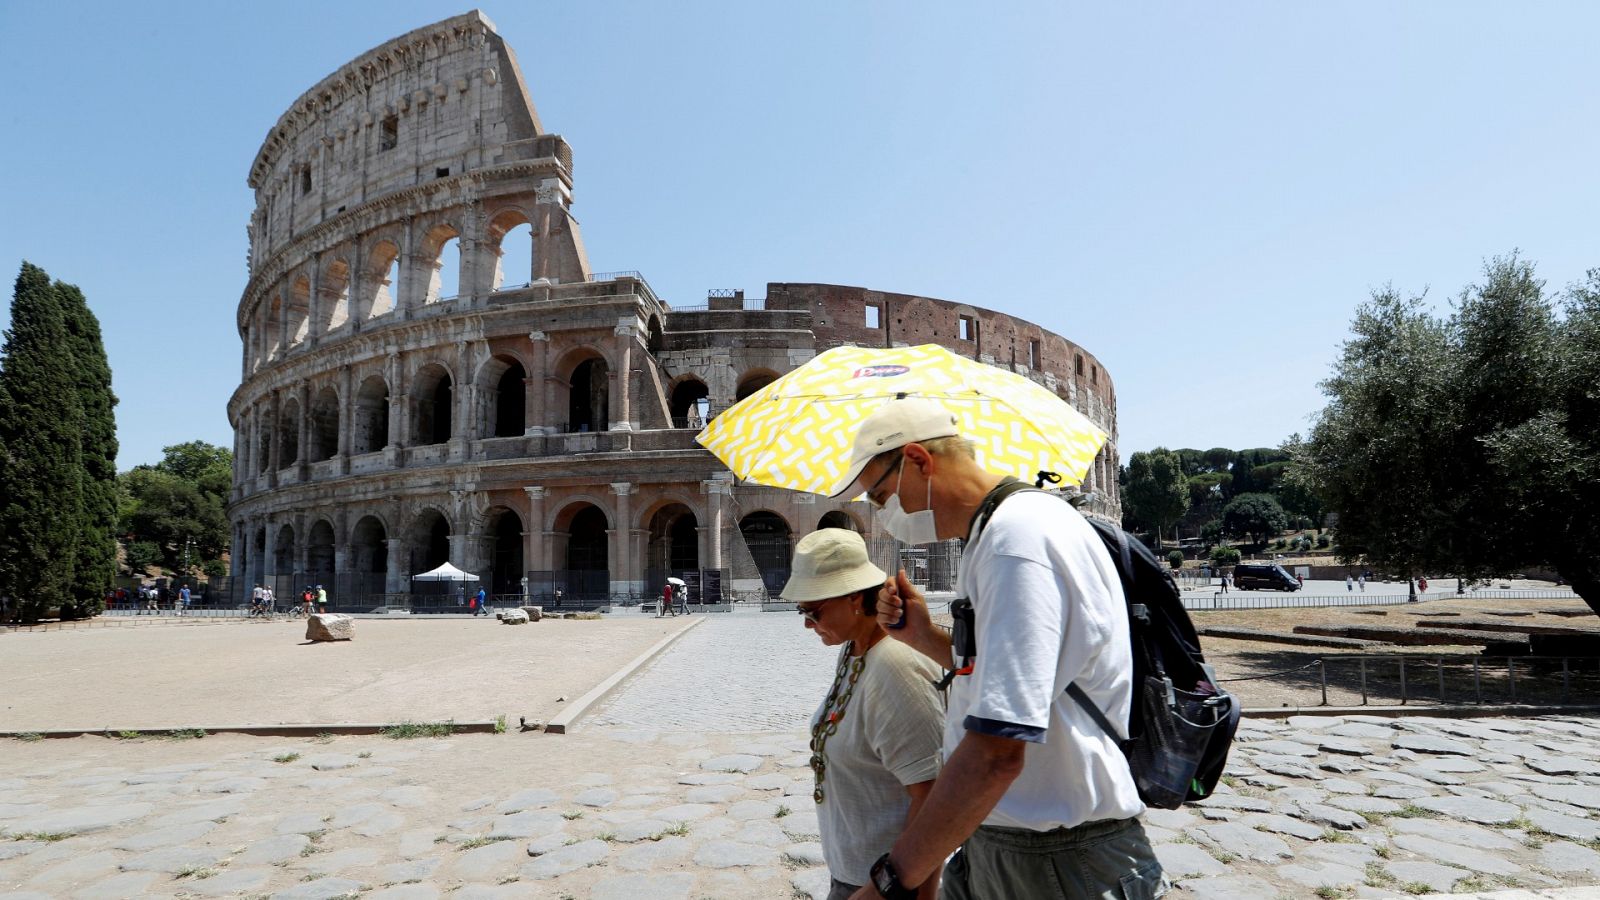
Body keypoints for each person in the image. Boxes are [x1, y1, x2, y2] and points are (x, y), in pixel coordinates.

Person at [828, 399, 1164, 900]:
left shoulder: (1017, 541)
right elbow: (1022, 684)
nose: (882, 514)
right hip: (1010, 843)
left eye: (880, 495)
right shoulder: (997, 533)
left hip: (1056, 862)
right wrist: (925, 640)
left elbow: (996, 754)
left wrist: (889, 882)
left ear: (919, 461)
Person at [784, 529, 944, 900]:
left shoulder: (895, 664)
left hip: (887, 885)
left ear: (854, 597)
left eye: (813, 611)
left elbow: (932, 796)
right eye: (801, 610)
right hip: (855, 873)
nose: (807, 623)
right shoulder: (856, 649)